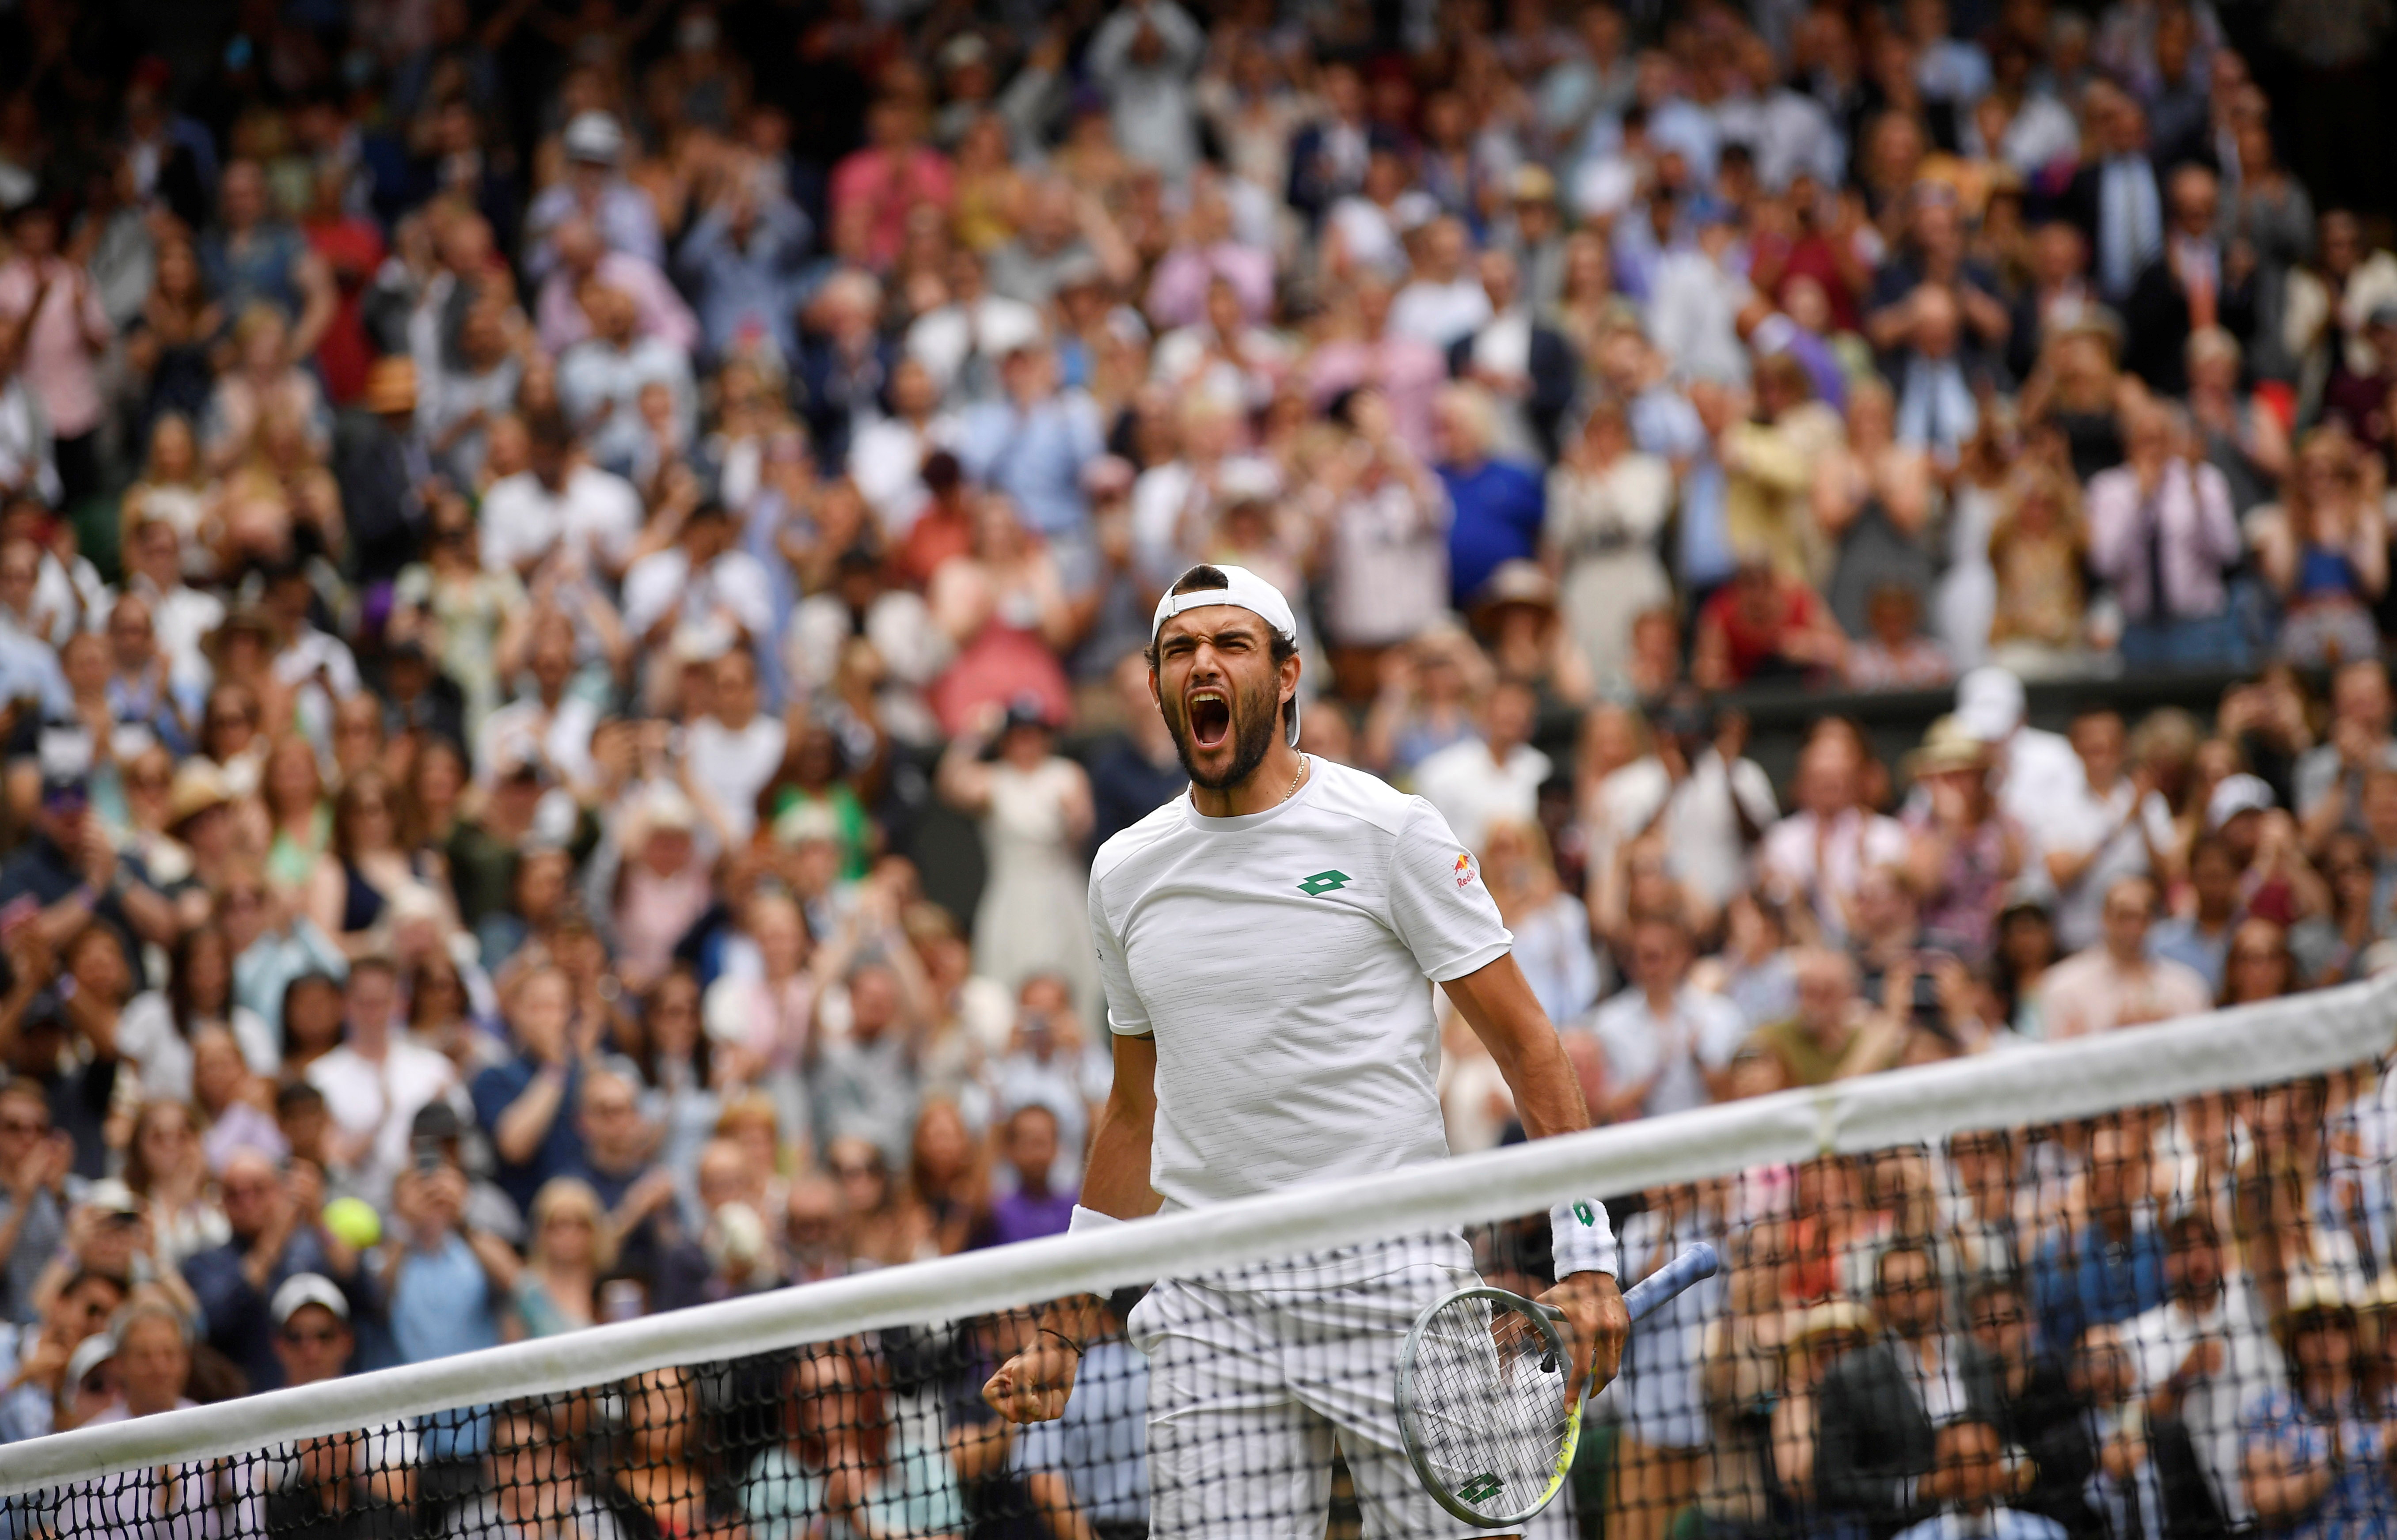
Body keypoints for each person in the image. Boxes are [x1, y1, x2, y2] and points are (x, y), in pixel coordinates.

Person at [981, 563, 1629, 1539]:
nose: (1202, 663)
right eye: (1179, 650)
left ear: (1287, 677)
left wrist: (1585, 1255)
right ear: (1158, 687)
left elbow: (1529, 1048)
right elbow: (1134, 1110)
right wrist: (1068, 1328)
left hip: (1397, 1288)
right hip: (1209, 1309)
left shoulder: (1389, 832)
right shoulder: (1123, 872)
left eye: (1230, 644)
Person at [1815, 1240, 2003, 1540]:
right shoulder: (1850, 1377)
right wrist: (1920, 1489)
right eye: (1897, 1288)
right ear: (1879, 1300)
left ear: (1938, 1290)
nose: (1910, 1296)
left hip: (1992, 1527)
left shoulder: (1976, 1358)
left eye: (1918, 1285)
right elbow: (1832, 1483)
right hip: (1901, 1531)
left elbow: (2004, 1436)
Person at [2042, 876, 2213, 1039]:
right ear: (2105, 918)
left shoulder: (2187, 988)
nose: (2133, 927)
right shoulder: (2065, 987)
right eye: (2124, 916)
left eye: (2142, 917)